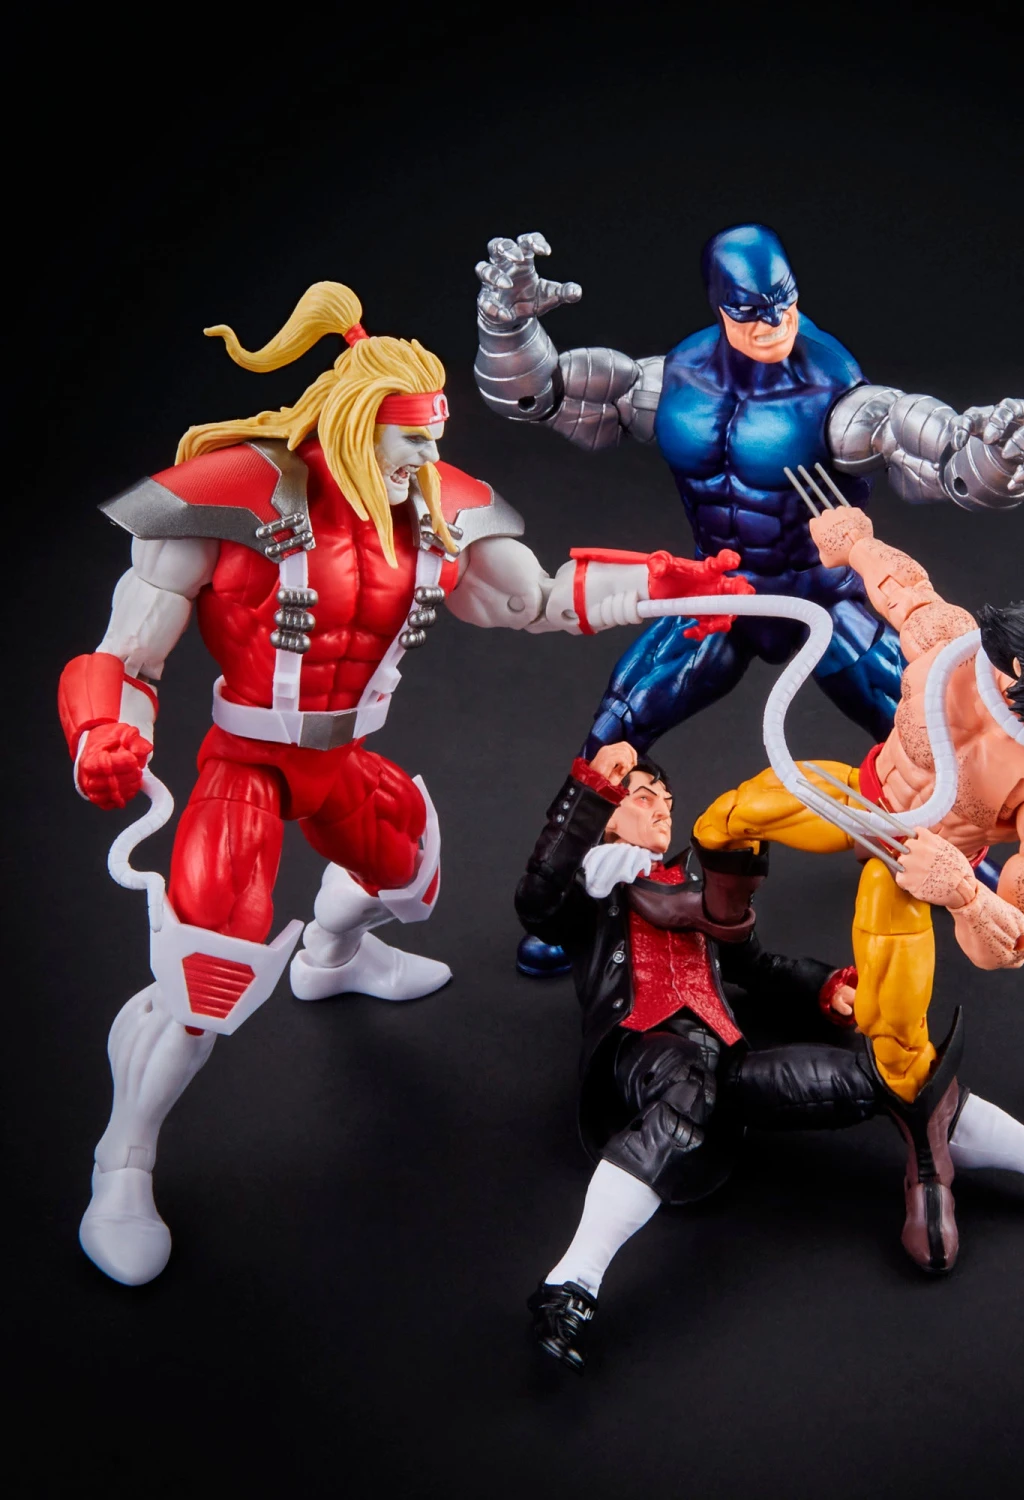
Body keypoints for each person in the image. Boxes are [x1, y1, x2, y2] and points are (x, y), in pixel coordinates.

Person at [58, 281, 745, 1286]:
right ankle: (122, 1161)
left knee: (410, 872)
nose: (427, 457)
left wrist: (661, 585)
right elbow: (128, 655)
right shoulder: (230, 497)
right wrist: (104, 736)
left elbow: (534, 600)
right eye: (410, 437)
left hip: (342, 760)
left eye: (435, 436)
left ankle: (331, 957)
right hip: (246, 765)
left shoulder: (431, 506)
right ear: (350, 423)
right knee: (207, 975)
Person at [473, 224, 1024, 974]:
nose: (771, 324)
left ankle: (968, 875)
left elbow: (939, 455)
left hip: (826, 602)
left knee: (932, 737)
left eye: (783, 304)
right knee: (614, 729)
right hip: (722, 593)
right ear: (719, 306)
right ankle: (561, 905)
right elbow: (542, 394)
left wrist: (998, 456)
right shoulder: (673, 380)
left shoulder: (838, 395)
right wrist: (507, 326)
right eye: (750, 311)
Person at [519, 743, 1024, 1367]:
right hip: (642, 1051)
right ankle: (570, 1285)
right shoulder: (592, 890)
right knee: (687, 1090)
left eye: (667, 798)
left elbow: (756, 966)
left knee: (889, 1077)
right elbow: (537, 898)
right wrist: (590, 789)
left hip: (722, 1063)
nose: (662, 808)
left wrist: (824, 987)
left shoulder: (699, 885)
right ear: (608, 814)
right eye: (642, 797)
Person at [694, 496, 1024, 1272]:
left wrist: (961, 890)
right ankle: (727, 944)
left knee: (896, 1035)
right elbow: (903, 586)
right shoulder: (952, 649)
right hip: (863, 797)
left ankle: (929, 1168)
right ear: (1014, 669)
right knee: (724, 820)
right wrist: (853, 539)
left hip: (918, 871)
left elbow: (1012, 946)